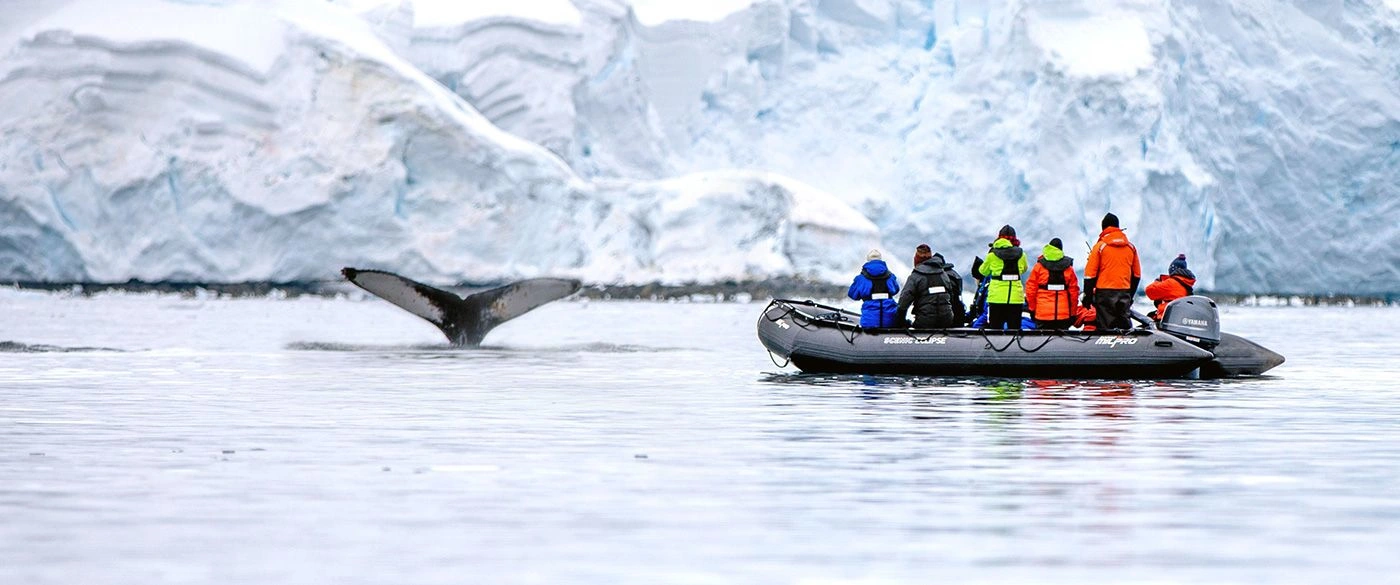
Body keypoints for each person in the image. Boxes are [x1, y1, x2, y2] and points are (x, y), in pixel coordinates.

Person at [1082, 213, 1142, 330]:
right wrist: (1130, 295)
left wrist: (1087, 298)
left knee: (1105, 326)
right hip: (1124, 292)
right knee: (1124, 324)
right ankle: (1127, 345)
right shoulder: (1130, 247)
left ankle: (1105, 347)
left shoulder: (1100, 246)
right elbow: (1136, 275)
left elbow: (1089, 275)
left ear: (1103, 228)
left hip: (1105, 293)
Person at [895, 244, 964, 328]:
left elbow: (903, 303)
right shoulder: (944, 275)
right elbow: (951, 299)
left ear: (917, 260)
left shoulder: (916, 276)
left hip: (924, 322)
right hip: (947, 321)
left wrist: (901, 323)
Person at [977, 225, 1028, 330]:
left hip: (996, 296)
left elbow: (983, 271)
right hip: (1015, 297)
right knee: (1014, 330)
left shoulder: (992, 254)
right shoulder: (1021, 254)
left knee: (995, 330)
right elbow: (1023, 269)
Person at [1025, 237, 1079, 329]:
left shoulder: (1039, 267)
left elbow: (1030, 291)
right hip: (1063, 315)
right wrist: (1072, 313)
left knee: (1042, 341)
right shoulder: (1068, 269)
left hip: (1042, 314)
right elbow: (1074, 293)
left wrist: (1032, 309)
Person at [847, 249, 900, 328]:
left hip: (869, 322)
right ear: (880, 260)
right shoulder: (891, 276)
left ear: (868, 260)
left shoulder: (860, 279)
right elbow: (896, 290)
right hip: (891, 321)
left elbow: (852, 295)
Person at [1145, 254, 1196, 322]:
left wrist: (1157, 281)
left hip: (1166, 318)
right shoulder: (1186, 282)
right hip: (1179, 317)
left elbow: (1150, 291)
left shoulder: (1171, 283)